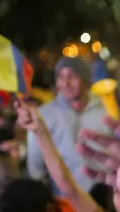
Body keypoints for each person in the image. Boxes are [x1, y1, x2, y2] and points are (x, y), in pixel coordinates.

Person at [25, 57, 111, 196]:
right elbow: (35, 162)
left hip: (105, 194)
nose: (66, 83)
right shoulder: (44, 115)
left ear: (85, 80)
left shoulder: (105, 110)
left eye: (72, 76)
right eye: (61, 77)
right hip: (66, 199)